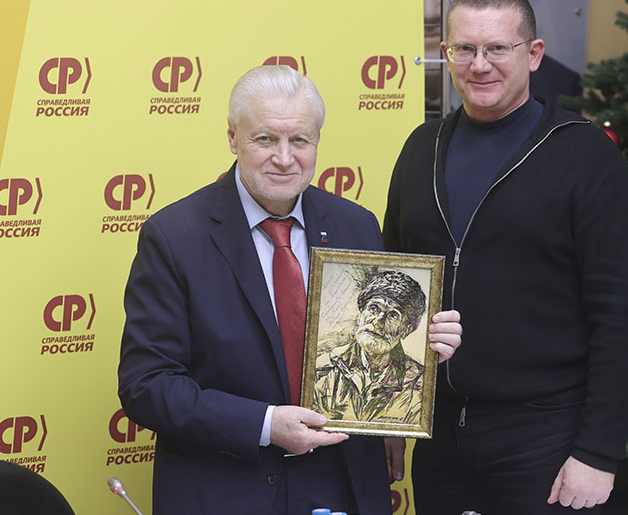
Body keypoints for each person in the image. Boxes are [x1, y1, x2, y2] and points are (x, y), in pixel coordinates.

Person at [117, 65, 461, 515]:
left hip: (342, 485)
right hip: (228, 491)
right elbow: (146, 385)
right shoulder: (173, 237)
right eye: (265, 139)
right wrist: (265, 424)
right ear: (232, 138)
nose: (284, 157)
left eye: (299, 140)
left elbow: (377, 359)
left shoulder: (356, 225)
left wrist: (425, 348)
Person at [383, 0, 628, 514]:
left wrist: (598, 453)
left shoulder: (586, 157)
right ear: (446, 54)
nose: (479, 64)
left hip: (547, 438)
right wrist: (390, 415)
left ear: (533, 54)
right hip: (439, 437)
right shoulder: (421, 149)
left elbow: (623, 317)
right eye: (465, 49)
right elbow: (395, 282)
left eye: (497, 48)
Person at [314, 269, 428, 424]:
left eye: (393, 315)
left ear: (406, 330)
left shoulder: (418, 382)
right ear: (361, 314)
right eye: (374, 308)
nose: (379, 321)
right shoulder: (322, 370)